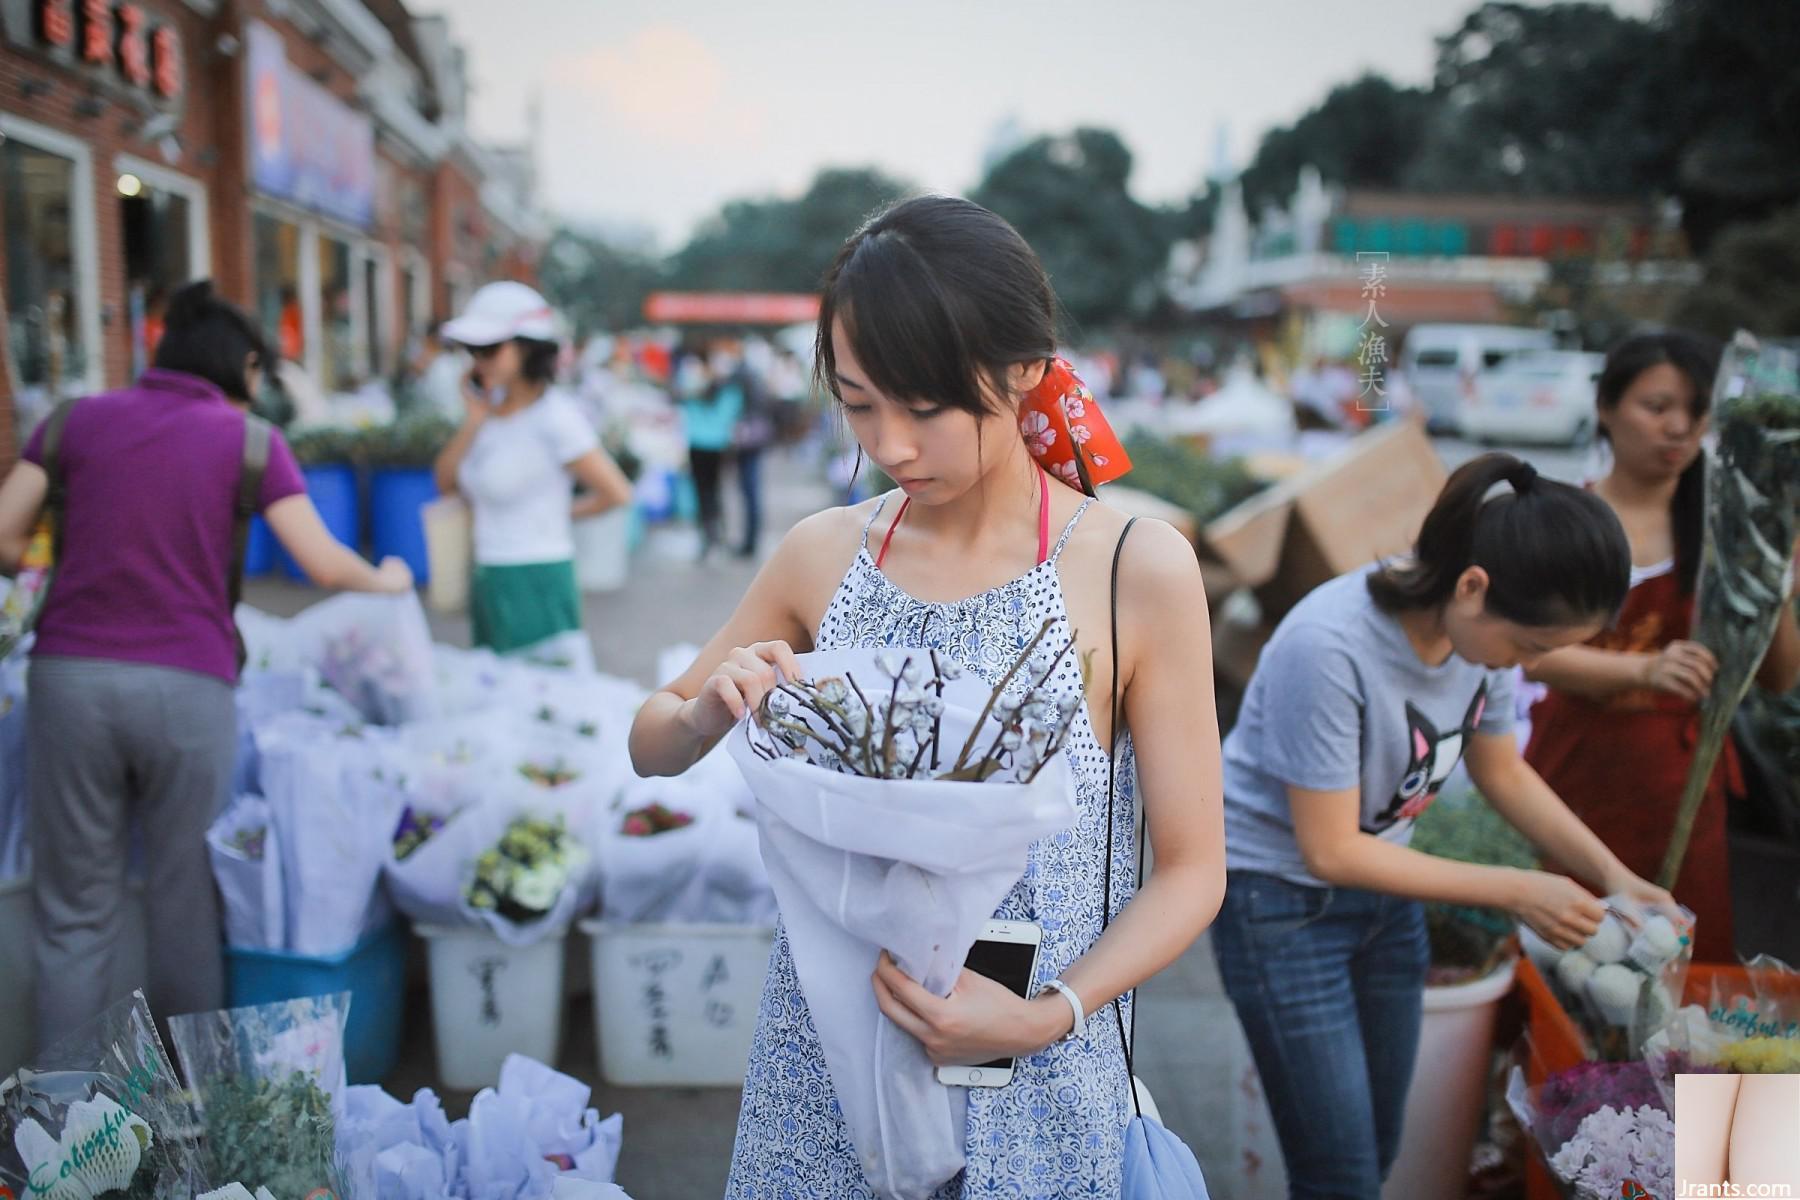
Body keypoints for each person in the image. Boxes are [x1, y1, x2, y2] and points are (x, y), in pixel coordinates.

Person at [628, 195, 1226, 1197]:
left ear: (1024, 369)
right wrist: (699, 712)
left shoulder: (1135, 570)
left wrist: (1049, 1014)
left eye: (926, 406)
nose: (894, 446)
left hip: (1040, 1075)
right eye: (861, 405)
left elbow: (1194, 868)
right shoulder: (825, 553)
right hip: (829, 1072)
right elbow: (651, 742)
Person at [1211, 451, 1681, 1199]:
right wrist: (1519, 889)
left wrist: (1613, 875)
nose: (1528, 666)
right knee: (1338, 1171)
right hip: (1281, 906)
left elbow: (1502, 770)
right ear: (1472, 585)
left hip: (1388, 899)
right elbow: (1329, 849)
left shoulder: (1480, 634)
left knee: (1378, 1146)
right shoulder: (1329, 646)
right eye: (1530, 649)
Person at [0, 279, 413, 1049]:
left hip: (69, 680)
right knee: (184, 898)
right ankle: (194, 1114)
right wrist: (387, 578)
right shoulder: (250, 439)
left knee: (75, 912)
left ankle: (66, 1128)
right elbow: (320, 560)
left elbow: (3, 534)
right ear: (246, 367)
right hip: (188, 690)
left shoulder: (73, 421)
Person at [1523, 332, 1800, 963]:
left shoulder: (1728, 532)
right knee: (1576, 961)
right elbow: (1530, 655)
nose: (1677, 428)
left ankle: (1696, 1071)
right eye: (1656, 406)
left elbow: (1780, 678)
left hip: (1685, 787)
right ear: (1606, 407)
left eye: (1696, 413)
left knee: (1687, 972)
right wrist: (1646, 669)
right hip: (1579, 780)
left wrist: (1776, 580)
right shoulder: (1568, 518)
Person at [431, 282, 634, 653]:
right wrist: (474, 419)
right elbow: (446, 483)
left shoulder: (556, 417)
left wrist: (558, 514)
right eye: (471, 350)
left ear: (527, 348)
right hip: (488, 577)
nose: (477, 360)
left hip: (537, 579)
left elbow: (616, 492)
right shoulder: (486, 415)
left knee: (540, 702)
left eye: (489, 349)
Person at [676, 348, 742, 562]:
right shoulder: (728, 391)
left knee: (701, 491)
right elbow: (733, 413)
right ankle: (719, 535)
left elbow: (680, 399)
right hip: (718, 445)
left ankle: (707, 537)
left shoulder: (692, 389)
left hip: (697, 445)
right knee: (716, 490)